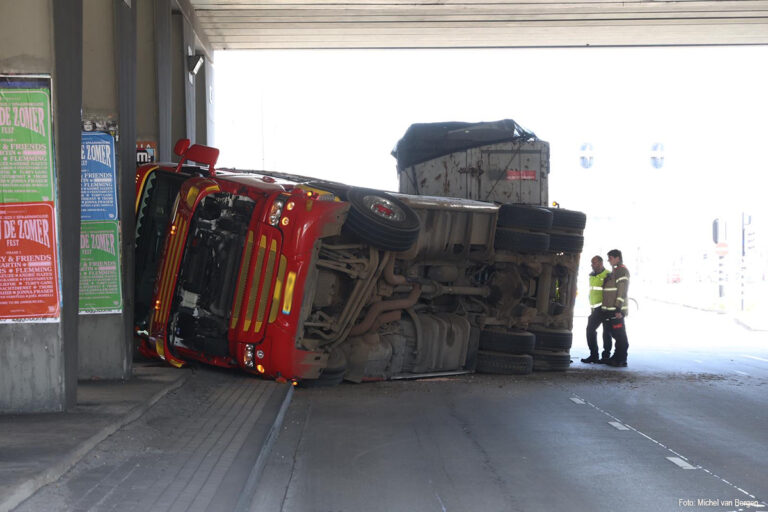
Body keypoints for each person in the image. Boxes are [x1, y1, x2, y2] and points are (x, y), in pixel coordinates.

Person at [581, 256, 613, 364]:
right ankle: (594, 355)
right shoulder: (592, 276)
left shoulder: (608, 274)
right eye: (591, 263)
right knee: (590, 330)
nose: (592, 265)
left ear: (600, 263)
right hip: (595, 308)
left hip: (604, 308)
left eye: (593, 263)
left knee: (606, 332)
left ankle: (605, 356)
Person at [601, 249, 630, 367]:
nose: (608, 260)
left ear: (617, 258)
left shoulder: (622, 271)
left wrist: (618, 308)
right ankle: (617, 356)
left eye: (610, 258)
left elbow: (622, 290)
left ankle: (621, 359)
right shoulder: (615, 271)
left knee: (620, 335)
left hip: (617, 309)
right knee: (615, 334)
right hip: (611, 309)